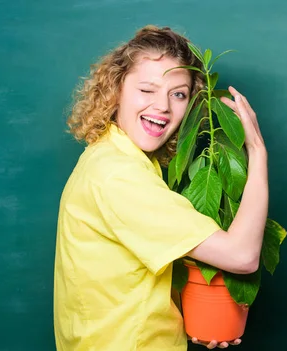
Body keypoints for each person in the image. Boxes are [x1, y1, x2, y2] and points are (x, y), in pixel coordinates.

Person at [53, 25, 269, 350]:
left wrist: (204, 314)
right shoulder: (119, 176)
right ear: (116, 90)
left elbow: (132, 276)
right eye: (147, 89)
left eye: (178, 94)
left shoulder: (111, 156)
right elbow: (242, 256)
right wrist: (257, 152)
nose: (163, 106)